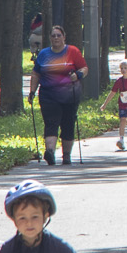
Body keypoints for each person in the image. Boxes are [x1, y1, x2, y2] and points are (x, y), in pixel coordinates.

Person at [32, 30, 88, 166]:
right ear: (50, 38)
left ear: (64, 37)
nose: (56, 38)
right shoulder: (44, 54)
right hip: (48, 95)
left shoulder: (72, 51)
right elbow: (36, 74)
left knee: (68, 124)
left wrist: (78, 75)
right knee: (51, 123)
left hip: (70, 95)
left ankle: (66, 156)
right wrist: (32, 92)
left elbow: (84, 68)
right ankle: (50, 152)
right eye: (53, 36)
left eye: (59, 35)